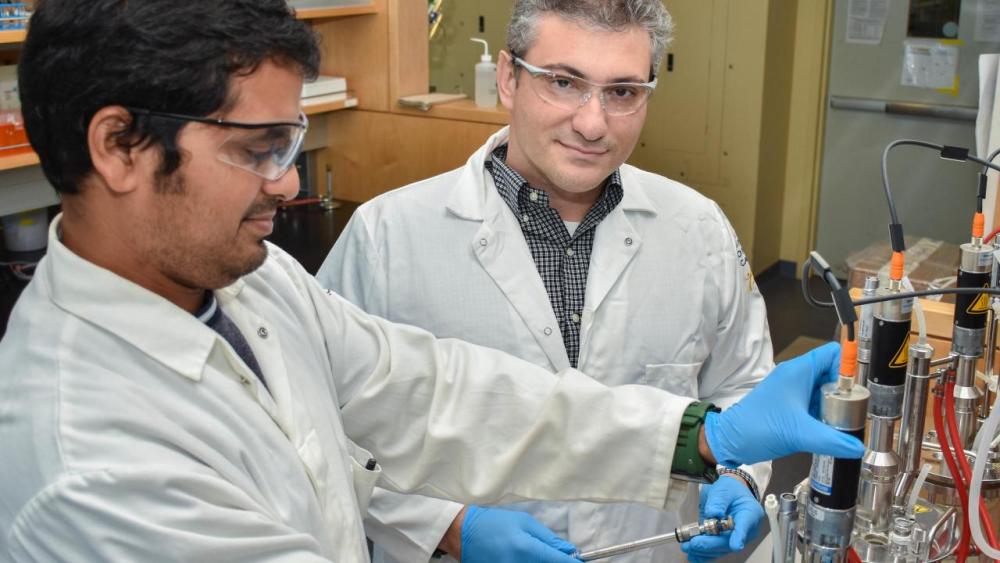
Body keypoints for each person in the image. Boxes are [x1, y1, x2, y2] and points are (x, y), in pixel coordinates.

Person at [0, 1, 863, 562]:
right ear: (118, 146)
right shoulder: (91, 463)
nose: (287, 185)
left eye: (290, 143)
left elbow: (435, 393)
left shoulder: (250, 284)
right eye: (257, 148)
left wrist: (702, 437)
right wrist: (449, 527)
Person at [318, 1, 779, 562]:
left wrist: (738, 474)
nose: (592, 123)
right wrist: (445, 526)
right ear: (509, 78)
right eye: (564, 82)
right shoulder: (386, 236)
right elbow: (318, 428)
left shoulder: (698, 228)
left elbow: (744, 382)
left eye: (623, 91)